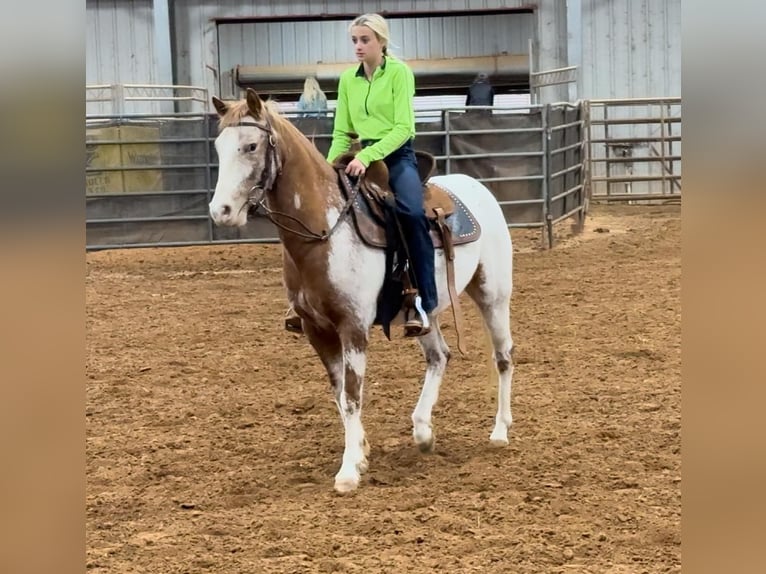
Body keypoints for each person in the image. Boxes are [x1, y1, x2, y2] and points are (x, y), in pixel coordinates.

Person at [285, 13, 437, 338]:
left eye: (364, 40)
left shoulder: (399, 73)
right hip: (356, 156)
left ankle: (422, 299)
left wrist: (368, 156)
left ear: (381, 42)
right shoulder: (347, 80)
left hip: (397, 156)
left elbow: (404, 128)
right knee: (316, 214)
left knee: (411, 212)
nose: (358, 46)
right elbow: (342, 132)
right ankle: (307, 299)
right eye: (354, 40)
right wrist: (324, 171)